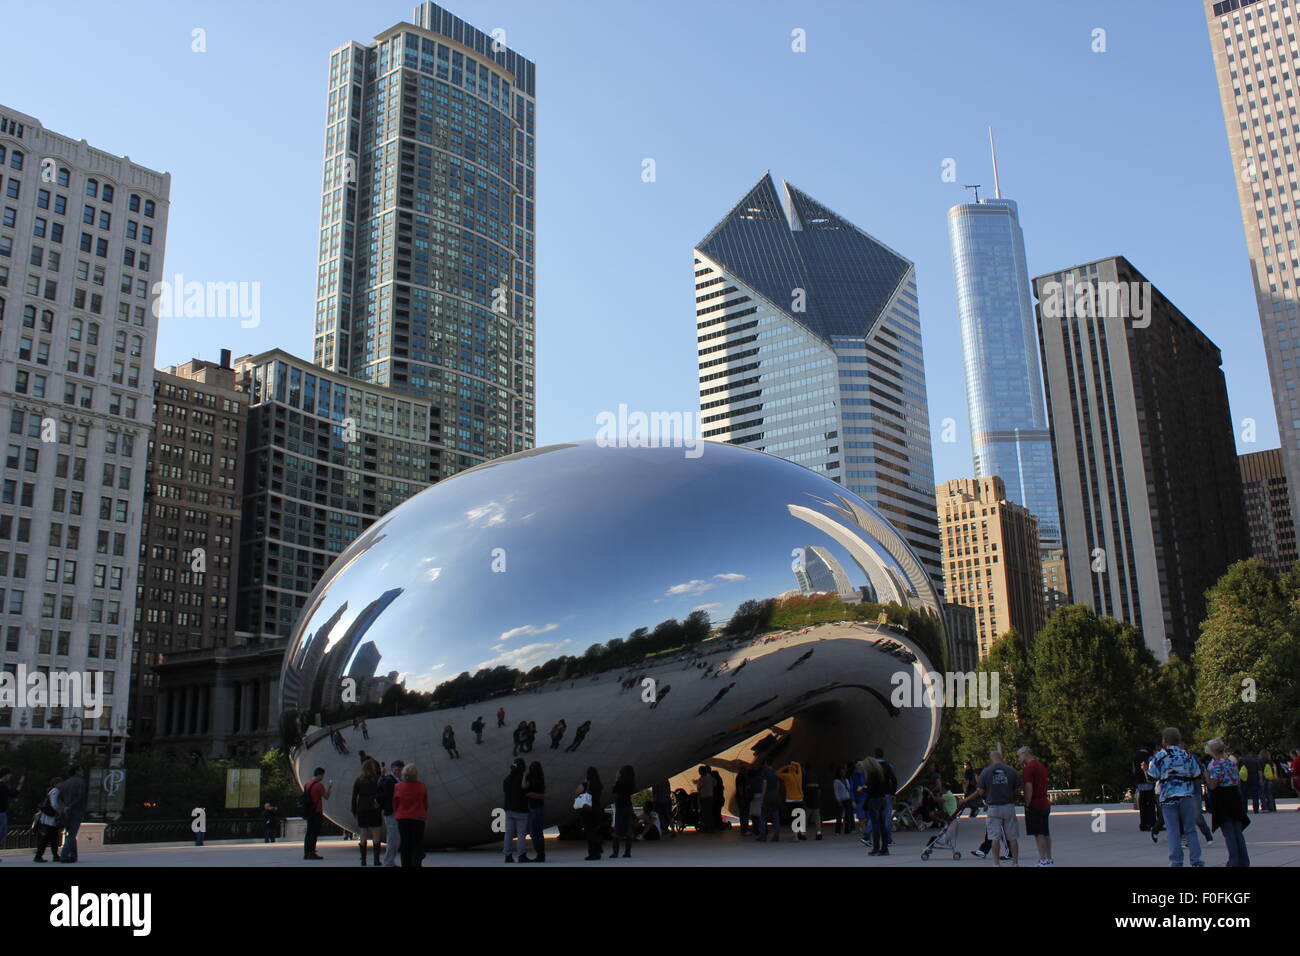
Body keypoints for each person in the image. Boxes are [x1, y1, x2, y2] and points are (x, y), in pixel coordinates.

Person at [1146, 727, 1205, 867]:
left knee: (1173, 830)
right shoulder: (1187, 755)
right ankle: (1196, 860)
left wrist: (1145, 770)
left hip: (1168, 796)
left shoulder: (1160, 756)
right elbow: (1197, 774)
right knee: (1190, 829)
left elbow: (1152, 776)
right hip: (1186, 794)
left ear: (1164, 741)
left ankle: (1176, 861)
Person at [1205, 738, 1251, 867]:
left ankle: (1233, 861)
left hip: (1222, 798)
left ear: (1212, 750)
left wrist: (1207, 777)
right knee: (1237, 831)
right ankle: (1244, 861)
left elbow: (1213, 785)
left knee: (1229, 833)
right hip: (1234, 796)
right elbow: (1237, 781)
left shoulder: (1214, 764)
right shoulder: (1231, 762)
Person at [972, 749, 1020, 867]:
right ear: (1001, 757)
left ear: (991, 759)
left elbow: (981, 791)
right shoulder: (1011, 770)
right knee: (1012, 837)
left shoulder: (986, 772)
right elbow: (1018, 789)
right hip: (1008, 806)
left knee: (994, 837)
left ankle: (996, 863)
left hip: (993, 807)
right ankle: (1015, 863)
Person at [1017, 746, 1053, 866]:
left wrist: (1027, 804)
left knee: (1039, 833)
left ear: (1025, 754)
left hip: (1035, 803)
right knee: (1045, 832)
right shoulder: (1041, 766)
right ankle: (1049, 858)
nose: (1018, 759)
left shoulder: (1029, 768)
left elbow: (1028, 787)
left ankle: (1042, 860)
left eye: (1019, 756)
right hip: (1045, 802)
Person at [393, 764, 427, 867]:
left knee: (405, 843)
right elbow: (425, 802)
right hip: (418, 817)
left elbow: (395, 803)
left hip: (403, 818)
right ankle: (416, 864)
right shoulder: (421, 786)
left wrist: (397, 812)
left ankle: (406, 864)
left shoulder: (398, 786)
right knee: (417, 843)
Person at [351, 758, 384, 866]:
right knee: (376, 833)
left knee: (363, 833)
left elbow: (354, 796)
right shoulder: (377, 779)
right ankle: (376, 859)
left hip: (362, 808)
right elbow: (381, 793)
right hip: (374, 808)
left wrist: (354, 810)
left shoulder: (358, 780)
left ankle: (363, 859)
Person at [56, 766, 87, 864]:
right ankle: (64, 856)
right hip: (76, 810)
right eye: (81, 770)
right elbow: (80, 796)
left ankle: (73, 856)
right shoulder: (81, 782)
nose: (83, 771)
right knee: (72, 834)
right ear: (77, 771)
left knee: (70, 833)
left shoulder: (64, 783)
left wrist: (63, 807)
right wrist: (70, 806)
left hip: (66, 811)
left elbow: (59, 797)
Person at [301, 767, 332, 861]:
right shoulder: (319, 785)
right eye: (322, 775)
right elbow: (326, 797)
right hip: (317, 811)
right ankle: (312, 853)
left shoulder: (307, 784)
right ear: (319, 775)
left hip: (309, 811)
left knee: (309, 832)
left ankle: (306, 852)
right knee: (314, 833)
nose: (323, 777)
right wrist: (329, 788)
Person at [378, 759, 404, 867]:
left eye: (399, 770)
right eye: (396, 769)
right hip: (391, 812)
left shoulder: (398, 780)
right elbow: (388, 798)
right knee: (393, 838)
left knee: (395, 838)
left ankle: (390, 861)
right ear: (392, 769)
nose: (397, 772)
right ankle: (388, 861)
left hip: (396, 812)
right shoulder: (389, 781)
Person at [862, 757, 890, 856]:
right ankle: (885, 848)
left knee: (875, 825)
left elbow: (871, 791)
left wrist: (864, 790)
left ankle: (876, 848)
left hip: (874, 801)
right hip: (882, 800)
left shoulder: (871, 776)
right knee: (882, 825)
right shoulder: (880, 774)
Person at [522, 761, 547, 863]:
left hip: (533, 809)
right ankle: (541, 854)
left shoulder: (531, 780)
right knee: (538, 833)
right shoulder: (541, 780)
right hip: (540, 808)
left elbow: (524, 788)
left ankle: (540, 855)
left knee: (534, 833)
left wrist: (524, 776)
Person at [33, 776, 62, 863]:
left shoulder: (54, 791)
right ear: (56, 784)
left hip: (49, 819)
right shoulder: (55, 791)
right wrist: (61, 811)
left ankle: (55, 856)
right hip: (49, 819)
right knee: (46, 838)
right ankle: (39, 856)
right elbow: (54, 804)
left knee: (53, 838)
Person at [576, 767, 604, 860]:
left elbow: (577, 791)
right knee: (594, 831)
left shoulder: (587, 784)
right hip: (597, 808)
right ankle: (597, 851)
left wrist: (584, 782)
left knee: (589, 832)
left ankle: (593, 853)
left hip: (588, 810)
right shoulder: (599, 784)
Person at [610, 764, 636, 858]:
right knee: (628, 830)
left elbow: (614, 790)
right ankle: (627, 852)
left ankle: (615, 852)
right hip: (628, 806)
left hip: (620, 807)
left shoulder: (620, 782)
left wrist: (617, 778)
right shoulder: (631, 783)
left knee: (617, 829)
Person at [776, 760, 806, 840]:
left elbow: (777, 773)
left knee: (793, 818)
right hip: (799, 799)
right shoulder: (799, 775)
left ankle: (796, 837)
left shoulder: (787, 776)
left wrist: (786, 766)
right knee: (800, 817)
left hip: (790, 799)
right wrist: (794, 763)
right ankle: (802, 833)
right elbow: (799, 765)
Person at [874, 748, 898, 846]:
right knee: (887, 817)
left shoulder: (873, 767)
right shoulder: (888, 766)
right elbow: (894, 780)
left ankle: (871, 838)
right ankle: (888, 839)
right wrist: (892, 793)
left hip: (876, 795)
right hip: (887, 794)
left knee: (875, 817)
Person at [1134, 746, 1156, 830]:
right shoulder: (1149, 756)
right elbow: (1151, 768)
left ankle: (1143, 824)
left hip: (1140, 784)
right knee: (1151, 805)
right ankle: (1152, 823)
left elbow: (1134, 770)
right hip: (1149, 784)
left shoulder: (1135, 757)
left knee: (1142, 805)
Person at [1238, 749, 1264, 814]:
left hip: (1244, 779)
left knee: (1244, 794)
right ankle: (1255, 809)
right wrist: (1261, 779)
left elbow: (1237, 770)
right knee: (1255, 794)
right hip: (1254, 778)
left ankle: (1244, 809)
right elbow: (1259, 771)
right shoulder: (1255, 760)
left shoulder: (1241, 760)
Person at [802, 763, 823, 840]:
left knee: (805, 818)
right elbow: (819, 790)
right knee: (817, 818)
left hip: (808, 801)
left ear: (804, 769)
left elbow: (803, 789)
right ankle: (819, 833)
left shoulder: (804, 777)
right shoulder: (815, 776)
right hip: (816, 800)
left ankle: (803, 834)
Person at [746, 764, 766, 839]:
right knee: (761, 815)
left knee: (754, 816)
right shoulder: (761, 779)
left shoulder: (750, 780)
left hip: (754, 798)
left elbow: (748, 788)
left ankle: (757, 830)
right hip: (761, 797)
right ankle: (763, 830)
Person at [694, 765, 715, 833]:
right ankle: (710, 827)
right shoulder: (710, 777)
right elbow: (715, 783)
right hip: (710, 796)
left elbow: (699, 786)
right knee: (709, 812)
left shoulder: (702, 778)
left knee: (705, 813)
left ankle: (706, 827)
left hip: (704, 797)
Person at [833, 764, 853, 834]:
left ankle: (847, 830)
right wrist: (838, 800)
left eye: (844, 772)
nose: (843, 773)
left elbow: (849, 789)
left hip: (847, 799)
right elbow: (836, 791)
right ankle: (837, 831)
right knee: (839, 816)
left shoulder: (847, 780)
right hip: (841, 800)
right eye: (841, 772)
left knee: (848, 816)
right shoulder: (836, 781)